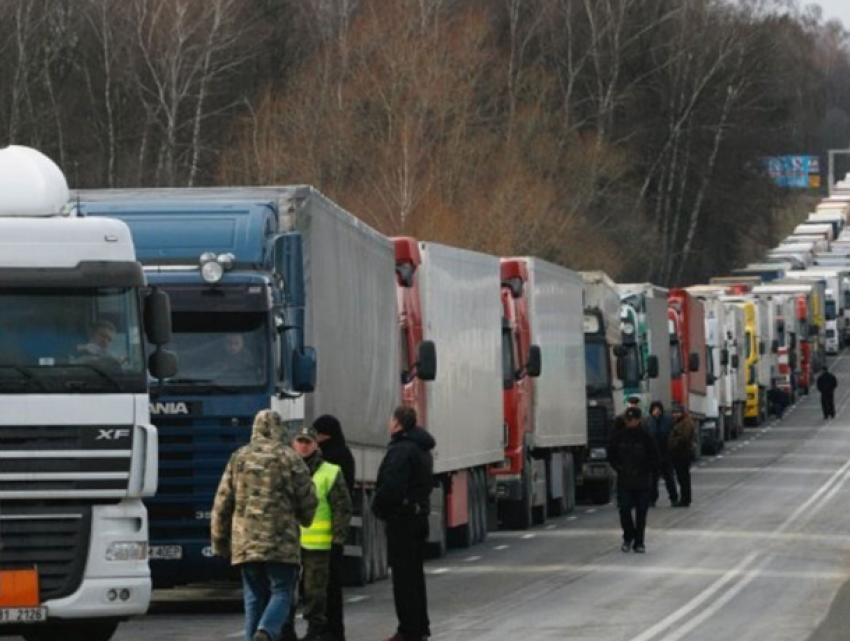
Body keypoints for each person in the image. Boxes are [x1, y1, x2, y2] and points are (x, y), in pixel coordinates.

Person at [211, 410, 318, 641]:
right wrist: (305, 519)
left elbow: (222, 501)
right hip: (281, 542)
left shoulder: (239, 457)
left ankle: (255, 637)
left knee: (253, 597)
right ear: (280, 430)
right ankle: (267, 631)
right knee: (282, 591)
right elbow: (308, 498)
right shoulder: (290, 458)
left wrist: (219, 541)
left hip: (246, 543)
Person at [372, 407, 435, 641]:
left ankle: (408, 630)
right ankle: (419, 627)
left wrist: (378, 507)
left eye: (391, 419)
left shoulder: (401, 450)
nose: (389, 424)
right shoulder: (421, 448)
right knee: (415, 577)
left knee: (404, 579)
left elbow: (391, 487)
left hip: (403, 520)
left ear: (398, 424)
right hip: (418, 517)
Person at [285, 426, 353, 641]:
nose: (303, 446)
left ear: (316, 445)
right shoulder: (284, 470)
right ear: (292, 444)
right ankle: (286, 632)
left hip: (318, 545)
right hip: (288, 543)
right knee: (285, 591)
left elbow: (342, 508)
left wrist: (338, 539)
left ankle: (315, 631)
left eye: (308, 442)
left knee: (315, 593)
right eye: (300, 441)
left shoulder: (330, 472)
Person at [313, 415, 355, 641]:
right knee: (330, 586)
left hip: (325, 533)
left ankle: (328, 631)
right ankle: (334, 631)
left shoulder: (329, 459)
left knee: (325, 588)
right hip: (333, 532)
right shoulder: (345, 454)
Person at [608, 407, 659, 553]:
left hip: (642, 481)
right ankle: (628, 537)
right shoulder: (619, 436)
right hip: (625, 480)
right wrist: (619, 468)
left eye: (632, 419)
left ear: (638, 420)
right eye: (627, 419)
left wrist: (645, 470)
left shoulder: (646, 436)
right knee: (624, 510)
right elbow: (611, 455)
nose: (629, 422)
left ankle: (639, 542)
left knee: (641, 514)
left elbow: (654, 457)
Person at [647, 401, 678, 507]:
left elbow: (670, 434)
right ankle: (652, 499)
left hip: (665, 453)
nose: (657, 411)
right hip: (653, 455)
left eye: (658, 409)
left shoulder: (667, 421)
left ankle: (674, 498)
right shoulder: (649, 421)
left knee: (669, 478)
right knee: (653, 479)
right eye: (655, 409)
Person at [668, 404, 696, 508]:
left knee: (684, 477)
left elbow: (684, 437)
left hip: (683, 453)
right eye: (674, 412)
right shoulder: (678, 422)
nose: (675, 414)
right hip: (678, 453)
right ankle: (684, 498)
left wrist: (674, 441)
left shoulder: (686, 422)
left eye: (677, 412)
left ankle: (685, 499)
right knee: (681, 477)